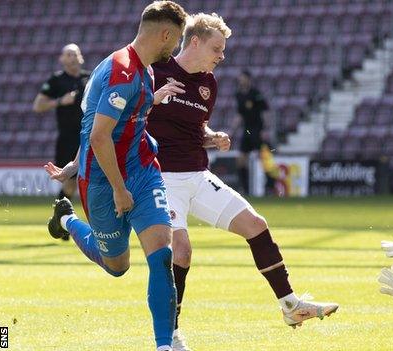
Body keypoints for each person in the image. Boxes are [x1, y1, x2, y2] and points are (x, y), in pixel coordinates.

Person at [145, 13, 338, 349]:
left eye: (223, 50)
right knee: (182, 252)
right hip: (161, 178)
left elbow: (194, 131)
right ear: (194, 42)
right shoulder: (155, 72)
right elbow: (127, 116)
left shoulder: (208, 84)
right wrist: (153, 98)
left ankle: (291, 306)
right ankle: (171, 334)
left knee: (256, 224)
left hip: (198, 175)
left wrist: (211, 136)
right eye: (216, 48)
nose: (222, 56)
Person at [44, 2, 188, 350]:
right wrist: (118, 189)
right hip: (104, 183)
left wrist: (154, 99)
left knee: (161, 255)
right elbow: (97, 134)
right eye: (178, 39)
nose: (177, 48)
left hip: (142, 169)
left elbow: (109, 120)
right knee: (117, 266)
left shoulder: (144, 70)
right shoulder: (121, 72)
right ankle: (67, 221)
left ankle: (164, 345)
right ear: (165, 34)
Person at [33, 44, 91, 237]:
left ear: (81, 57)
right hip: (68, 137)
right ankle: (61, 219)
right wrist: (60, 101)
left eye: (75, 54)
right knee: (69, 183)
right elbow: (38, 105)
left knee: (89, 180)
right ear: (62, 59)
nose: (73, 58)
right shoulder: (56, 80)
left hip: (90, 134)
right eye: (68, 54)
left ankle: (65, 222)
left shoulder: (89, 78)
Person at [234, 69, 269, 195]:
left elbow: (265, 112)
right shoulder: (238, 95)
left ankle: (270, 185)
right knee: (241, 160)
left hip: (257, 129)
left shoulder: (255, 94)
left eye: (243, 78)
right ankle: (245, 188)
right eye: (240, 78)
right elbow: (240, 115)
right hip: (247, 130)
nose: (241, 80)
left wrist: (265, 129)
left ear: (248, 79)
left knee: (263, 158)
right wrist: (232, 130)